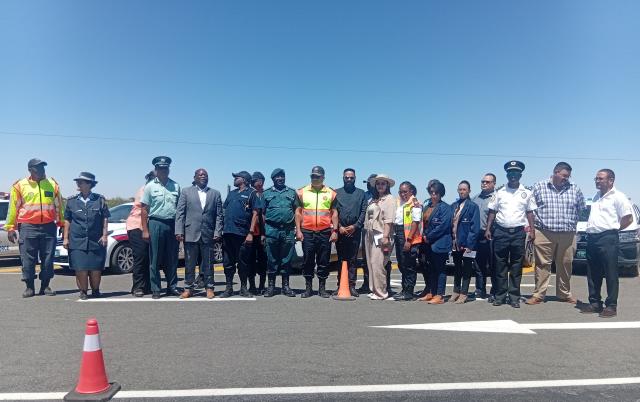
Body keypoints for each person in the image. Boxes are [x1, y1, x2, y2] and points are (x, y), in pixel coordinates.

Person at [526, 162, 586, 306]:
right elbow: (530, 209)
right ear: (556, 172)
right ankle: (539, 295)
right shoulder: (539, 186)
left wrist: (571, 223)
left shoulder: (574, 188)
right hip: (544, 232)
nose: (567, 179)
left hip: (568, 234)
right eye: (564, 175)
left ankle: (564, 294)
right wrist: (532, 230)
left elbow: (581, 209)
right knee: (542, 264)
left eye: (568, 176)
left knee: (565, 264)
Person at [5, 158, 64, 298]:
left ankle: (45, 286)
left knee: (48, 258)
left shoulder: (53, 185)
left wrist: (61, 223)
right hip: (28, 226)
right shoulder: (19, 186)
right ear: (31, 170)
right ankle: (29, 287)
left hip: (49, 226)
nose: (43, 171)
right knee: (28, 258)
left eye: (44, 168)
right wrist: (10, 228)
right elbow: (13, 208)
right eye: (39, 169)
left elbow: (59, 206)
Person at [580, 169, 633, 318]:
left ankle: (611, 306)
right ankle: (595, 303)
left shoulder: (619, 197)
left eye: (600, 179)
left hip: (608, 238)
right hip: (592, 238)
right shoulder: (597, 196)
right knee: (593, 273)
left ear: (611, 180)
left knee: (610, 273)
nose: (597, 181)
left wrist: (614, 229)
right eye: (596, 178)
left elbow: (628, 218)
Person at [485, 161, 537, 308]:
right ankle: (500, 296)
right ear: (507, 175)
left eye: (515, 173)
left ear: (520, 175)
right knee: (500, 266)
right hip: (501, 232)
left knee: (516, 266)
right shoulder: (499, 192)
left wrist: (532, 230)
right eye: (510, 173)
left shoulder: (527, 193)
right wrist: (488, 229)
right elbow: (492, 212)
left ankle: (514, 296)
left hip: (518, 233)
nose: (513, 176)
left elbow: (530, 212)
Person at [175, 169, 223, 299]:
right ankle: (188, 288)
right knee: (189, 263)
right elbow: (180, 213)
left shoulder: (215, 193)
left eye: (205, 175)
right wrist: (179, 231)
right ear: (195, 177)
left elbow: (219, 215)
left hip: (208, 233)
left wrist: (218, 231)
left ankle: (209, 288)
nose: (203, 177)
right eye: (200, 175)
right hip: (190, 232)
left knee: (208, 263)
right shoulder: (186, 192)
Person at [63, 172, 110, 300]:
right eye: (78, 181)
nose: (78, 184)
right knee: (80, 268)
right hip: (77, 240)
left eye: (81, 182)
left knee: (95, 269)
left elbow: (105, 218)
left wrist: (105, 235)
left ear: (90, 184)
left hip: (96, 240)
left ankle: (96, 290)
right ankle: (83, 291)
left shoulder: (99, 200)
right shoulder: (71, 201)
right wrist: (66, 238)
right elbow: (67, 220)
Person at [140, 156, 181, 299]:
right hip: (155, 223)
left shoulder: (176, 186)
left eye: (165, 168)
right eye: (160, 168)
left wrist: (179, 229)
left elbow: (180, 209)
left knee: (172, 257)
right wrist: (145, 230)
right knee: (155, 258)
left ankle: (172, 286)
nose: (163, 171)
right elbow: (144, 209)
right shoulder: (150, 186)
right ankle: (156, 288)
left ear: (168, 169)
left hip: (172, 223)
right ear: (156, 170)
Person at [295, 166, 338, 298]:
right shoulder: (302, 192)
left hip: (324, 232)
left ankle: (322, 288)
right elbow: (298, 212)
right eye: (313, 176)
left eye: (318, 176)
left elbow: (334, 213)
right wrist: (298, 230)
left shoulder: (331, 193)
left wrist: (335, 231)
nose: (315, 178)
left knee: (323, 260)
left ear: (323, 177)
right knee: (308, 260)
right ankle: (308, 288)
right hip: (307, 231)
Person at [221, 171, 261, 298]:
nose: (234, 179)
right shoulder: (232, 193)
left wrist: (250, 233)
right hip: (228, 232)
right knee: (228, 262)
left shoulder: (252, 193)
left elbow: (255, 213)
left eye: (237, 177)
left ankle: (243, 288)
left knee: (243, 262)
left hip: (242, 233)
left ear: (244, 179)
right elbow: (224, 209)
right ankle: (229, 288)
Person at [262, 168, 301, 297]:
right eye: (277, 177)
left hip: (288, 230)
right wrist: (263, 232)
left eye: (282, 176)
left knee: (286, 260)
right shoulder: (266, 193)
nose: (280, 179)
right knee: (271, 260)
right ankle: (271, 287)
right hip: (271, 230)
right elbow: (262, 213)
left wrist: (297, 228)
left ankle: (286, 286)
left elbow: (297, 211)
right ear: (273, 179)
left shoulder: (291, 192)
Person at [334, 168, 367, 297]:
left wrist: (356, 226)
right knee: (341, 259)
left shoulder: (361, 193)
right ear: (343, 178)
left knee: (353, 259)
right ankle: (340, 285)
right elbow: (334, 212)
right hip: (341, 231)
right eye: (346, 177)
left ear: (355, 178)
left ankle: (352, 285)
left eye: (351, 177)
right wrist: (339, 227)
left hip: (355, 231)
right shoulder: (336, 193)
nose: (349, 179)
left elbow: (364, 211)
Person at [363, 174, 396, 300]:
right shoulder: (374, 199)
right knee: (370, 263)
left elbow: (389, 220)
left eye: (383, 183)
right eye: (378, 183)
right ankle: (374, 289)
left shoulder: (389, 199)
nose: (380, 186)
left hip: (382, 233)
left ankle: (381, 292)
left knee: (377, 263)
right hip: (370, 233)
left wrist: (386, 236)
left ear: (387, 185)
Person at [419, 180, 452, 305]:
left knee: (440, 270)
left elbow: (443, 226)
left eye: (436, 193)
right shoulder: (427, 207)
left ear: (441, 193)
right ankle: (431, 292)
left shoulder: (445, 208)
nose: (433, 195)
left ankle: (440, 295)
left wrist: (429, 236)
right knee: (431, 269)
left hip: (439, 243)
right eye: (431, 192)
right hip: (427, 243)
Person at [450, 180, 481, 304]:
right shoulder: (454, 205)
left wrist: (470, 245)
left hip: (467, 244)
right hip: (455, 243)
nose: (462, 191)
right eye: (460, 189)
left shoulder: (473, 206)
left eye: (464, 189)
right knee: (457, 268)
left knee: (467, 269)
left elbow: (475, 227)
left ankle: (464, 293)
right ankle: (455, 291)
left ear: (469, 191)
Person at [127, 171, 155, 297]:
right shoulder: (145, 189)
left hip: (147, 227)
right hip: (137, 226)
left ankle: (147, 286)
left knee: (148, 258)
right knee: (140, 257)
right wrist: (145, 230)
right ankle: (137, 287)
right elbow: (146, 209)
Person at [392, 181, 422, 301]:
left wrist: (408, 240)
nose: (402, 194)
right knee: (402, 264)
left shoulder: (414, 203)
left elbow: (415, 222)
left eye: (405, 192)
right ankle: (404, 289)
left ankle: (409, 291)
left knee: (409, 265)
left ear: (411, 192)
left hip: (409, 237)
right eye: (400, 192)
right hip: (399, 233)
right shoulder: (400, 203)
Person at [472, 173, 497, 301]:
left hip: (492, 235)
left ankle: (494, 291)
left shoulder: (497, 198)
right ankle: (480, 290)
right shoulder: (475, 198)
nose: (484, 184)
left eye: (487, 182)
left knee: (493, 264)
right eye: (483, 181)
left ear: (494, 184)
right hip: (478, 235)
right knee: (478, 265)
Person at [248, 171, 268, 295]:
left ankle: (261, 285)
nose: (254, 183)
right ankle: (252, 286)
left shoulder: (266, 194)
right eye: (253, 181)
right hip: (251, 233)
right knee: (250, 261)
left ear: (261, 181)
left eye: (255, 180)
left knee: (263, 261)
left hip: (263, 233)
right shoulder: (251, 194)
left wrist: (263, 233)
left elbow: (263, 214)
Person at [357, 173, 377, 294]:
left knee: (381, 258)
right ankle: (366, 283)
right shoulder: (365, 195)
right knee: (366, 258)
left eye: (370, 183)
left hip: (379, 231)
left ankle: (382, 284)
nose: (369, 185)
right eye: (368, 183)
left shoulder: (384, 196)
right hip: (366, 230)